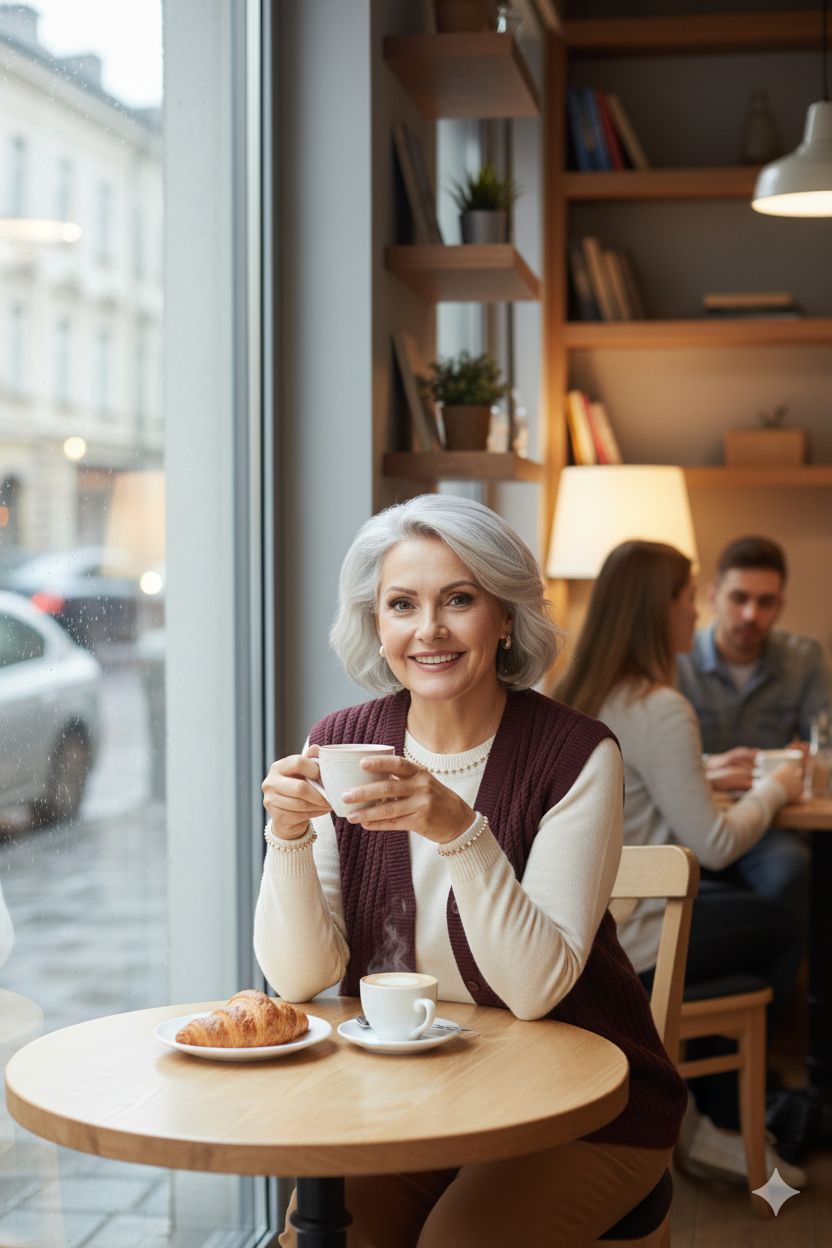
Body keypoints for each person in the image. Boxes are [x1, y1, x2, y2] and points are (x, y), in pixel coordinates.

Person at [256, 495, 686, 1248]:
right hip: (413, 1092)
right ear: (376, 624)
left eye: (460, 599)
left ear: (507, 616)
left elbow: (534, 988)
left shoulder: (577, 754)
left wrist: (459, 830)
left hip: (585, 1108)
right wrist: (287, 836)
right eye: (402, 604)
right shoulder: (341, 743)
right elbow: (297, 978)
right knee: (320, 1237)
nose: (429, 629)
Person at [556, 539, 806, 1188]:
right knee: (781, 926)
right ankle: (718, 1122)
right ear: (656, 609)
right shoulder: (661, 706)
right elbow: (718, 843)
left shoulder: (580, 691)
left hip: (585, 923)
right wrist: (773, 790)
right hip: (636, 935)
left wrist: (701, 769)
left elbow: (628, 778)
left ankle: (709, 1116)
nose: (696, 613)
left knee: (753, 923)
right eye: (689, 597)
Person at [677, 536, 828, 933]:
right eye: (738, 597)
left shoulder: (803, 658)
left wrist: (813, 760)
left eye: (765, 602)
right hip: (691, 820)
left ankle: (781, 996)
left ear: (781, 604)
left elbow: (825, 746)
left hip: (770, 826)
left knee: (791, 870)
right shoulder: (678, 656)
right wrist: (711, 765)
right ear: (712, 596)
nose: (750, 614)